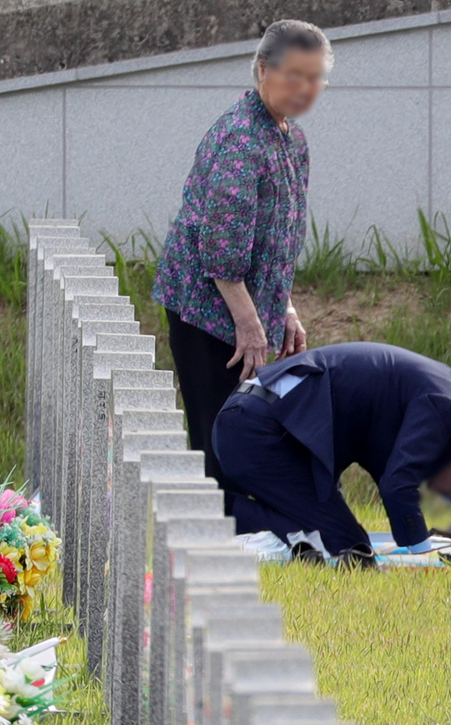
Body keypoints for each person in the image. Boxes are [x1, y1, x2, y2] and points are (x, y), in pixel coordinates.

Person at [153, 19, 330, 513]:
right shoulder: (242, 139)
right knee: (218, 431)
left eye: (316, 77)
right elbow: (220, 250)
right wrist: (250, 324)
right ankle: (214, 540)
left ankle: (243, 530)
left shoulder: (291, 139)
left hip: (245, 305)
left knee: (245, 425)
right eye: (294, 74)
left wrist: (285, 308)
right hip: (208, 308)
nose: (305, 88)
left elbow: (276, 240)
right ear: (262, 70)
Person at [212, 341, 451, 565]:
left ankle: (223, 508)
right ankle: (213, 509)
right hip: (257, 430)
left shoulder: (449, 394)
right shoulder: (445, 409)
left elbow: (387, 469)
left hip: (260, 421)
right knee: (348, 548)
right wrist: (424, 554)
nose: (436, 493)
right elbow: (397, 483)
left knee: (347, 541)